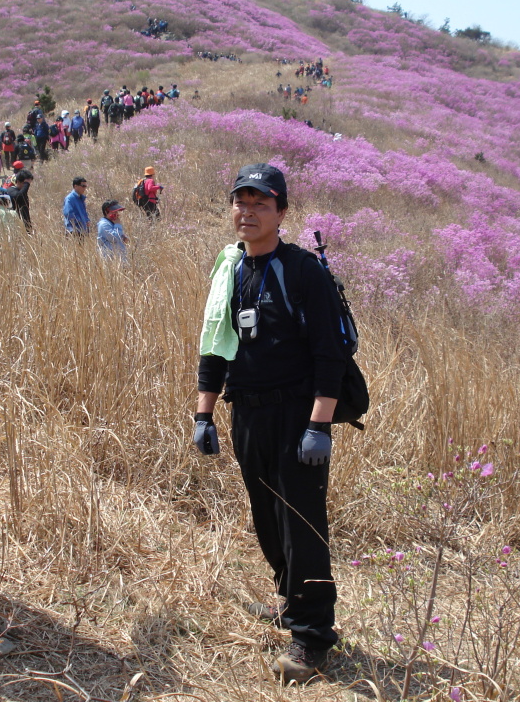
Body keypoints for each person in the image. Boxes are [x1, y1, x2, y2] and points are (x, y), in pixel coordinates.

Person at [194, 163, 344, 681]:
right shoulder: (230, 269)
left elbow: (331, 354)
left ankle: (312, 638)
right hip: (248, 413)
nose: (248, 212)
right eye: (241, 201)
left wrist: (319, 425)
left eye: (261, 203)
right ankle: (291, 600)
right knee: (266, 518)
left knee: (301, 524)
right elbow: (215, 345)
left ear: (281, 212)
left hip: (297, 416)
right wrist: (204, 412)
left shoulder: (302, 270)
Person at [7, 161, 33, 233]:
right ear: (18, 181)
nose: (26, 187)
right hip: (13, 227)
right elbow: (19, 196)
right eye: (24, 184)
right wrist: (26, 184)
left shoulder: (19, 192)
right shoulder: (11, 191)